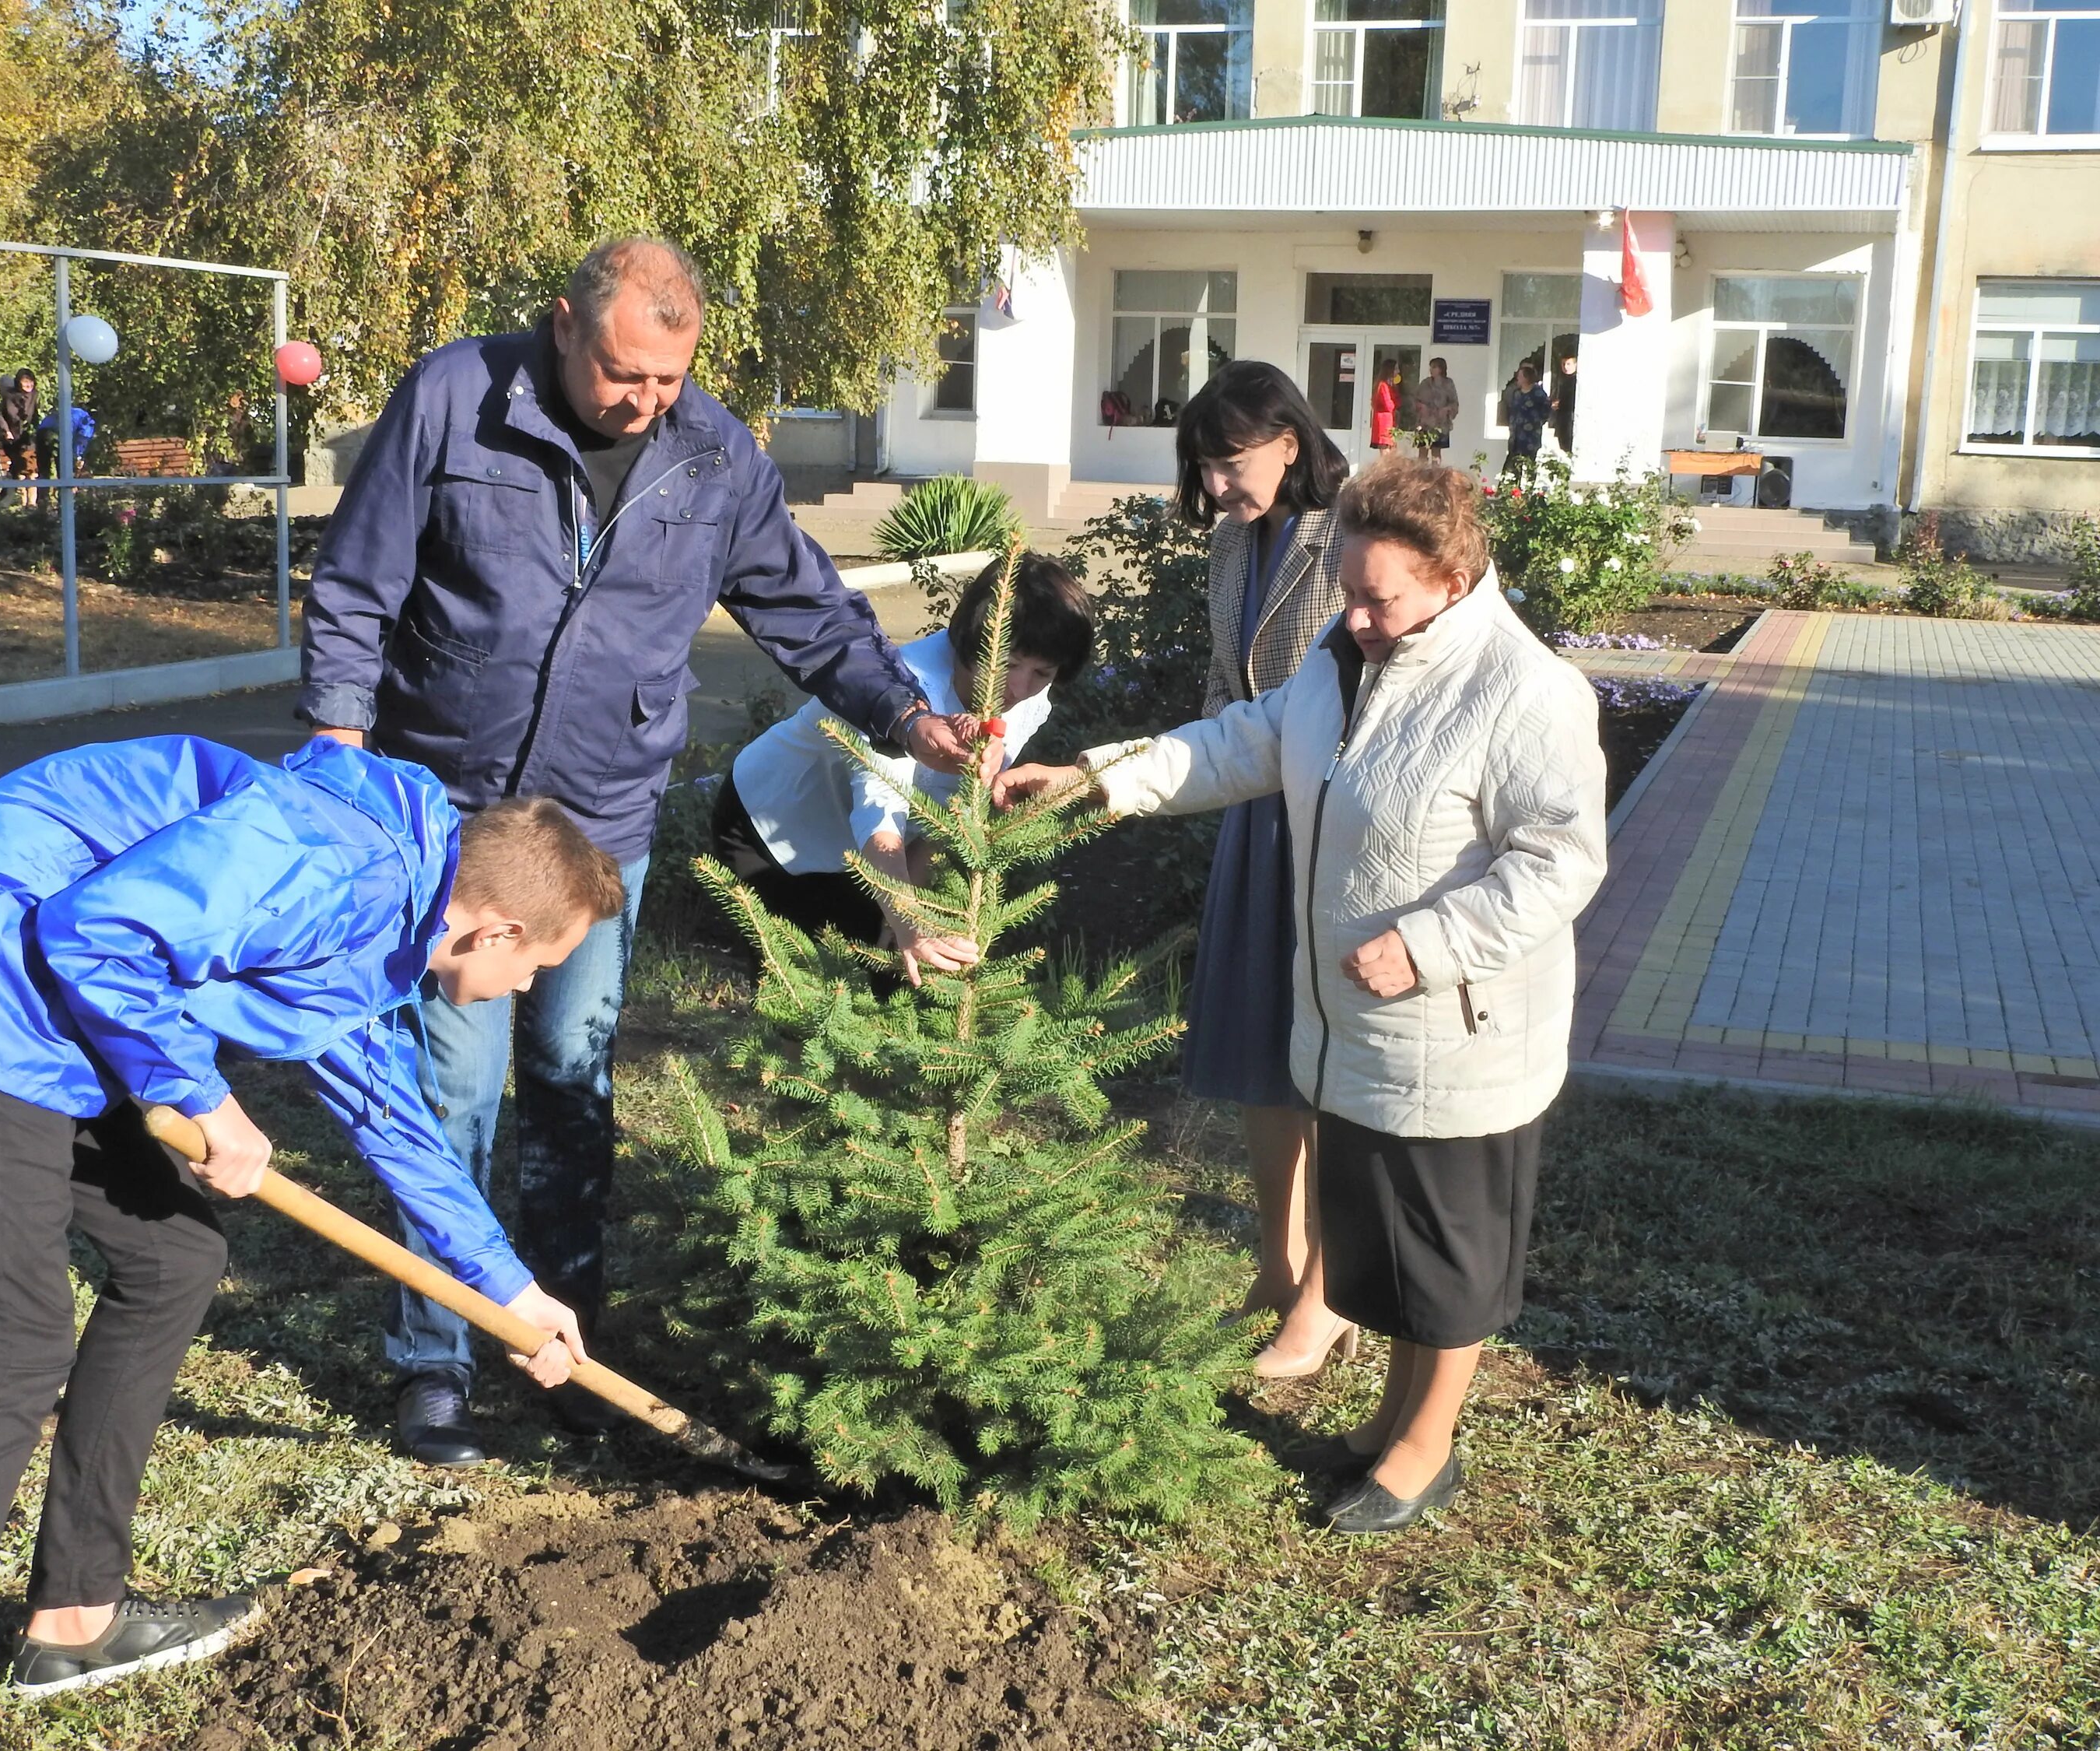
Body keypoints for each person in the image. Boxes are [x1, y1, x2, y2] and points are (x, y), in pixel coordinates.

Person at [299, 235, 980, 1465]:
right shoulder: (457, 399)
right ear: (563, 324)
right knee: (454, 1084)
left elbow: (807, 609)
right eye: (624, 375)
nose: (645, 402)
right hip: (450, 816)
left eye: (668, 380)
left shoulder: (715, 454)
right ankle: (436, 1359)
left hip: (601, 825)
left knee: (573, 1071)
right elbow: (358, 582)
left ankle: (564, 1342)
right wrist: (341, 755)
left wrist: (906, 712)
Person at [0, 734, 624, 1749]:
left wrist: (506, 1284)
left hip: (58, 1001)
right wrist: (196, 1091)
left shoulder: (394, 910)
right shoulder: (330, 860)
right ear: (497, 929)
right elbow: (95, 929)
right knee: (11, 1347)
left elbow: (388, 1116)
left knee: (174, 1259)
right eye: (535, 968)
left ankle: (75, 1618)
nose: (522, 990)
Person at [997, 458, 1607, 1533]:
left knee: (1448, 1252)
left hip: (1457, 1033)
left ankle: (1428, 1446)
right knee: (1379, 1235)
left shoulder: (1522, 690)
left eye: (1385, 599)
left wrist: (1429, 943)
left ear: (1456, 577)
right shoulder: (1340, 663)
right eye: (1350, 592)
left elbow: (1561, 861)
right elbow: (1243, 741)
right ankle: (1390, 1414)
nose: (1361, 617)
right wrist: (1096, 777)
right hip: (1358, 1027)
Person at [1169, 360, 1357, 1381]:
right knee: (1257, 1049)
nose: (1216, 491)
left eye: (1228, 464)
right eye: (1203, 470)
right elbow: (1220, 685)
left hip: (1336, 824)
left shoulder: (1356, 526)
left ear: (1289, 437)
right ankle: (1275, 1265)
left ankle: (1333, 1288)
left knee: (1332, 1062)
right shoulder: (1232, 544)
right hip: (1253, 816)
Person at [713, 552, 1094, 987]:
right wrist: (909, 919)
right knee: (796, 995)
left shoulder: (1029, 702)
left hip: (867, 856)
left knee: (888, 975)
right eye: (1006, 664)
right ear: (971, 639)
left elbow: (944, 813)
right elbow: (880, 811)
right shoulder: (903, 687)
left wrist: (907, 917)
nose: (1020, 689)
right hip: (771, 827)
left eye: (1043, 673)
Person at [0, 368, 41, 508]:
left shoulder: (35, 395)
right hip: (12, 438)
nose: (28, 386)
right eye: (25, 383)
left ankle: (30, 503)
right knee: (18, 470)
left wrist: (37, 429)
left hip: (29, 438)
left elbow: (34, 414)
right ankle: (16, 501)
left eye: (30, 382)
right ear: (19, 383)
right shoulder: (9, 397)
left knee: (29, 468)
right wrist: (6, 431)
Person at [1502, 362, 1551, 482]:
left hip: (1531, 438)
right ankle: (1513, 493)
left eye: (1519, 376)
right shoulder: (1517, 393)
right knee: (1514, 466)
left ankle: (1529, 492)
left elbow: (1546, 412)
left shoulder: (1538, 394)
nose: (1517, 379)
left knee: (1529, 466)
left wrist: (1535, 423)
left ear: (1526, 378)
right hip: (1516, 438)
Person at [1412, 358, 1459, 458]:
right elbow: (1416, 400)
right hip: (1424, 423)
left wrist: (1447, 409)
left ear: (1441, 369)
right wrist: (1421, 406)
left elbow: (1454, 403)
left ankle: (1436, 474)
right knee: (1423, 451)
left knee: (1436, 453)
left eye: (1434, 367)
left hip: (1440, 424)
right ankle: (1422, 473)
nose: (1431, 370)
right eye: (1431, 367)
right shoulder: (1425, 383)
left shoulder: (1448, 384)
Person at [1369, 360, 1402, 451]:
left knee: (1392, 449)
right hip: (1384, 422)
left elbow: (1398, 402)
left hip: (1390, 420)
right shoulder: (1383, 385)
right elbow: (1389, 405)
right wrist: (1394, 405)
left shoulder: (1391, 386)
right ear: (1389, 370)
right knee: (1385, 449)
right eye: (1396, 369)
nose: (1398, 372)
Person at [1551, 353, 1579, 457]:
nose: (1566, 367)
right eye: (1563, 364)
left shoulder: (1577, 380)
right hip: (1561, 418)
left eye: (1568, 364)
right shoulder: (1559, 379)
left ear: (1575, 365)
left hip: (1570, 417)